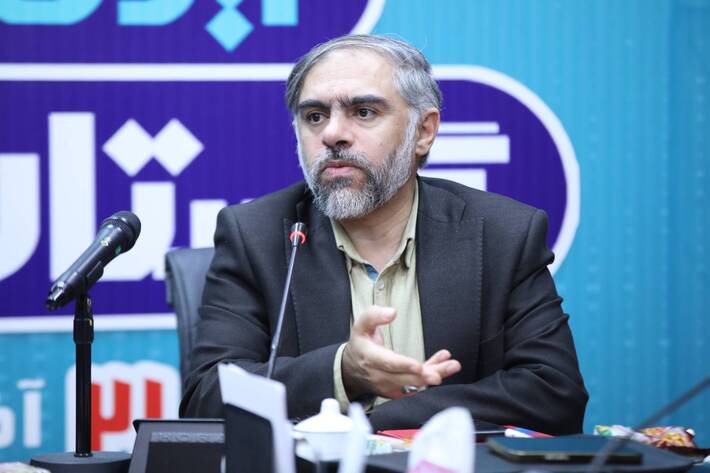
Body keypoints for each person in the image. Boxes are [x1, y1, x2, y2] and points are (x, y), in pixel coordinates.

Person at [180, 34, 588, 434]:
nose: (332, 134)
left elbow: (554, 394)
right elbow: (206, 398)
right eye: (314, 116)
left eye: (363, 112)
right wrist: (343, 372)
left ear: (423, 131)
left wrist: (377, 424)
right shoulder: (256, 234)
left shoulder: (502, 233)